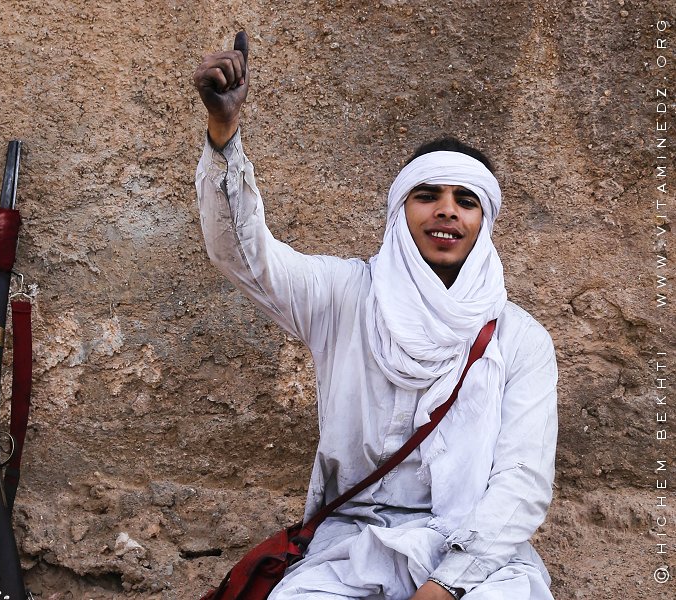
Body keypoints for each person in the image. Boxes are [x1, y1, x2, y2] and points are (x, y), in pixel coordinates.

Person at [192, 31, 559, 600]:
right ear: (398, 210)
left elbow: (522, 483)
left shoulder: (521, 340)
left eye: (466, 200)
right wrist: (224, 137)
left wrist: (445, 585)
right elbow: (243, 255)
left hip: (474, 555)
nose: (446, 212)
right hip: (350, 546)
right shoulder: (344, 296)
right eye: (427, 195)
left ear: (485, 222)